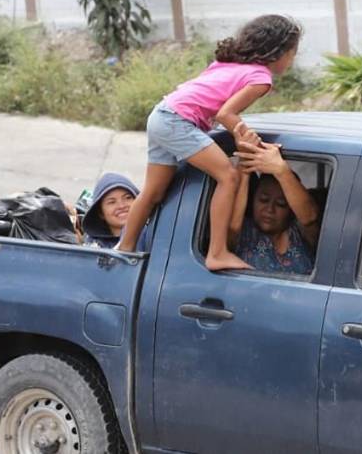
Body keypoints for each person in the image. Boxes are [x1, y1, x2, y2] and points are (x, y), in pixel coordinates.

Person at [116, 15, 303, 271]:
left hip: (161, 115)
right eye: (293, 53)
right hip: (177, 121)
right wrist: (248, 139)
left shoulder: (229, 63)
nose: (292, 60)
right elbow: (226, 114)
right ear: (278, 51)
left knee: (153, 192)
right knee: (228, 176)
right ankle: (217, 253)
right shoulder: (261, 79)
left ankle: (124, 249)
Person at [230, 141, 320, 274]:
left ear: (291, 208)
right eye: (263, 200)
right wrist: (245, 159)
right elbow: (232, 226)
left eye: (281, 204)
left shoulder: (299, 233)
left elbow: (310, 217)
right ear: (252, 199)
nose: (270, 209)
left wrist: (281, 171)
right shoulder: (243, 231)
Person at [81, 173, 139, 248]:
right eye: (112, 202)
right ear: (101, 213)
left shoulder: (152, 236)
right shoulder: (93, 248)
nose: (121, 206)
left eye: (127, 198)